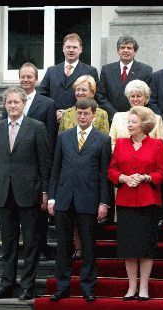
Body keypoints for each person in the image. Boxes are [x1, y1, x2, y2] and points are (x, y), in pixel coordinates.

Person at [0, 87, 51, 300]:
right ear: (4, 105)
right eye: (9, 102)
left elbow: (44, 162)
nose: (12, 105)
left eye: (16, 102)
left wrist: (44, 191)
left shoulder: (37, 127)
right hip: (4, 193)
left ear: (24, 104)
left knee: (31, 242)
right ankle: (6, 285)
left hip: (30, 194)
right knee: (8, 243)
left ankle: (27, 286)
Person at [47, 98, 111, 302]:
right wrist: (52, 197)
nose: (82, 116)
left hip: (89, 198)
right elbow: (55, 170)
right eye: (79, 113)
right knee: (64, 245)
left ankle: (88, 286)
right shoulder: (64, 137)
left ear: (93, 114)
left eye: (86, 113)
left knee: (89, 246)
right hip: (64, 198)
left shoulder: (102, 139)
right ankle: (62, 286)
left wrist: (104, 202)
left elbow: (104, 175)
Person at [108, 105, 163, 301]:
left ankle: (144, 287)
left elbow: (161, 173)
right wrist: (124, 178)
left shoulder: (157, 144)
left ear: (144, 124)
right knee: (129, 247)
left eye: (133, 121)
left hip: (148, 202)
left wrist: (145, 177)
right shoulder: (121, 143)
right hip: (125, 201)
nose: (129, 125)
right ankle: (131, 287)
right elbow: (112, 170)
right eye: (129, 122)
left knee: (145, 247)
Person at [0, 62, 57, 261]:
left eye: (29, 77)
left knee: (36, 219)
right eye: (22, 76)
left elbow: (49, 137)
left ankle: (40, 248)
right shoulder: (10, 101)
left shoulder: (47, 103)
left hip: (35, 169)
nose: (26, 80)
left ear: (36, 79)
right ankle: (12, 252)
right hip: (15, 170)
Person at [58, 74, 110, 259]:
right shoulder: (66, 115)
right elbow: (61, 150)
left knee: (89, 238)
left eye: (84, 89)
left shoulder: (102, 116)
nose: (80, 92)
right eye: (77, 89)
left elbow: (103, 148)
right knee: (64, 240)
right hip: (68, 186)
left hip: (89, 183)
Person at [39, 33, 99, 118]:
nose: (71, 50)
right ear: (63, 48)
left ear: (80, 49)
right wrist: (52, 112)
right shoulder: (51, 71)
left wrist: (71, 113)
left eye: (74, 47)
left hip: (78, 120)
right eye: (68, 47)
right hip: (54, 120)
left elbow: (94, 98)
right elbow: (41, 96)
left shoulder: (90, 71)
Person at [96, 35, 153, 121]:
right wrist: (114, 114)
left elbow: (148, 97)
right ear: (118, 51)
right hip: (112, 119)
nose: (126, 50)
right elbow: (100, 96)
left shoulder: (145, 70)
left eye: (129, 48)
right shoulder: (106, 70)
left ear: (135, 51)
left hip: (137, 119)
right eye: (122, 47)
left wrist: (133, 114)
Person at [109, 79, 163, 151]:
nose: (135, 99)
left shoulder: (156, 119)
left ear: (146, 98)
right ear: (128, 98)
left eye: (138, 96)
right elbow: (111, 142)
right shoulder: (117, 117)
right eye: (132, 96)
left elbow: (161, 145)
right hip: (122, 159)